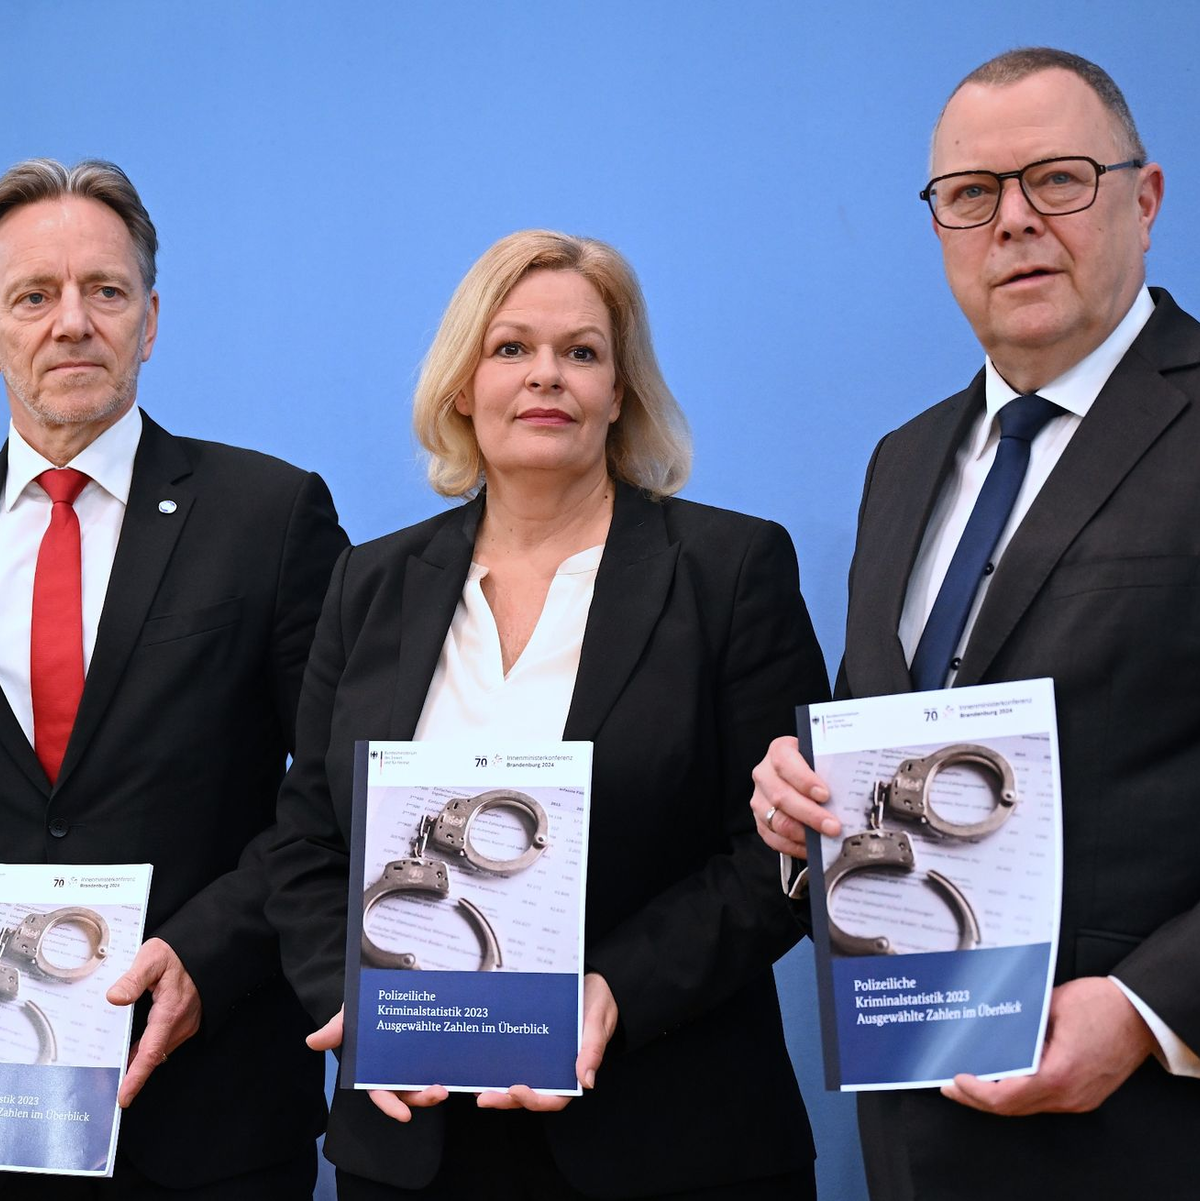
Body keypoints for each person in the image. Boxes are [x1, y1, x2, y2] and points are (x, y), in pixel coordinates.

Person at [266, 229, 830, 1199]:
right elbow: (309, 845)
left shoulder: (729, 570)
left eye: (582, 352)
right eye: (511, 348)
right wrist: (353, 998)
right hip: (415, 1141)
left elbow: (779, 851)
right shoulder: (370, 582)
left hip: (671, 1135)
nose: (547, 377)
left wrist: (613, 988)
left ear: (620, 391)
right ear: (460, 384)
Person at [752, 47, 1200, 1200]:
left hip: (1154, 1128)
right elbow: (874, 729)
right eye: (972, 195)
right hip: (918, 1127)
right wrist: (798, 801)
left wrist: (1155, 1010)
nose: (1013, 222)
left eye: (1057, 179)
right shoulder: (903, 463)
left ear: (1143, 202)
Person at [0, 158, 348, 1198]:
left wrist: (208, 949)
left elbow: (336, 785)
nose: (72, 322)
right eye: (33, 295)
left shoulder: (268, 513)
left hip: (209, 1102)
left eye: (104, 291)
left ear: (150, 320)